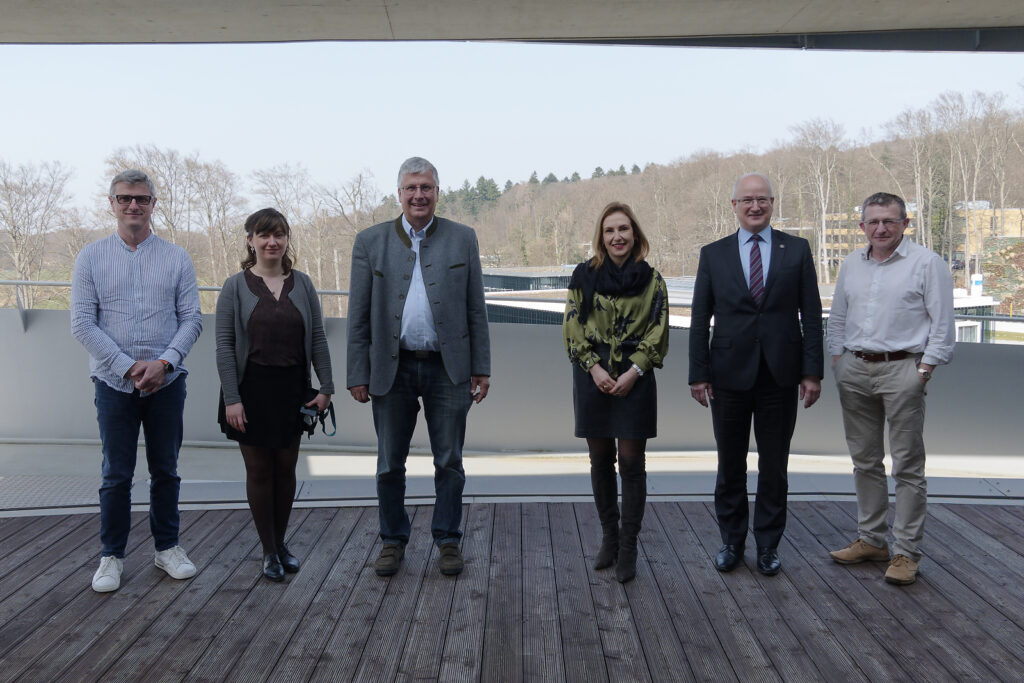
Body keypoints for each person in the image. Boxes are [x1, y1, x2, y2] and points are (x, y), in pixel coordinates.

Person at [347, 157, 491, 577]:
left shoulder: (462, 238)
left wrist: (481, 366)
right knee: (390, 462)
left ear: (437, 193)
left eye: (426, 187)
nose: (418, 195)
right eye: (411, 188)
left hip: (450, 370)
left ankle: (448, 540)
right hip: (392, 371)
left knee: (449, 461)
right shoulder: (370, 241)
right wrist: (358, 372)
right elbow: (358, 315)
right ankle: (392, 540)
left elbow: (475, 309)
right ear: (399, 193)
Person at [71, 169, 203, 593]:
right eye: (125, 198)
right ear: (111, 202)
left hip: (167, 382)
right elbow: (82, 324)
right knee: (116, 473)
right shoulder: (90, 258)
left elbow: (191, 319)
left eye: (141, 199)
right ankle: (112, 556)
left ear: (152, 205)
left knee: (166, 470)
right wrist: (129, 366)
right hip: (113, 384)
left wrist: (163, 362)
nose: (133, 205)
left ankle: (167, 548)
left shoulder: (177, 257)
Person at [688, 172, 823, 576]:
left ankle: (767, 546)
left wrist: (811, 372)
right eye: (746, 199)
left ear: (772, 203)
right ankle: (731, 542)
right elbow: (699, 319)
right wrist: (698, 373)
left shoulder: (796, 250)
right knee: (730, 464)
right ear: (734, 206)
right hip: (727, 377)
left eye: (762, 199)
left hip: (780, 377)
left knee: (774, 466)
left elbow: (811, 317)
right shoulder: (713, 254)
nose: (754, 206)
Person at [826, 192, 954, 585]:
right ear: (862, 226)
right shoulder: (851, 263)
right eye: (873, 221)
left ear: (905, 224)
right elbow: (838, 317)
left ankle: (905, 553)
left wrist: (924, 369)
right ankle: (871, 540)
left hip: (903, 370)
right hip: (855, 369)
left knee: (907, 467)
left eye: (889, 221)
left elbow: (943, 326)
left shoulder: (927, 264)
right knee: (865, 461)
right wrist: (838, 360)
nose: (881, 228)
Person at [216, 208, 334, 582]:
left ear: (286, 239)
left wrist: (326, 387)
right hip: (250, 392)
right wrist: (232, 398)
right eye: (263, 235)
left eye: (279, 234)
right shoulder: (234, 286)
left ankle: (282, 544)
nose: (272, 242)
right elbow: (223, 346)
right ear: (250, 240)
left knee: (286, 471)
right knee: (260, 471)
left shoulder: (303, 283)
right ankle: (268, 550)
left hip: (291, 390)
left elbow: (317, 338)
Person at [563, 202, 669, 584]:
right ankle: (609, 538)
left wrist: (634, 370)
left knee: (631, 463)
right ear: (601, 237)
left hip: (635, 378)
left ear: (635, 234)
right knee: (600, 458)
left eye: (623, 229)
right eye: (609, 230)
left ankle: (629, 547)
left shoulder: (653, 280)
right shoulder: (582, 276)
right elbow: (572, 326)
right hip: (592, 375)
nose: (617, 237)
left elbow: (659, 330)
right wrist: (593, 367)